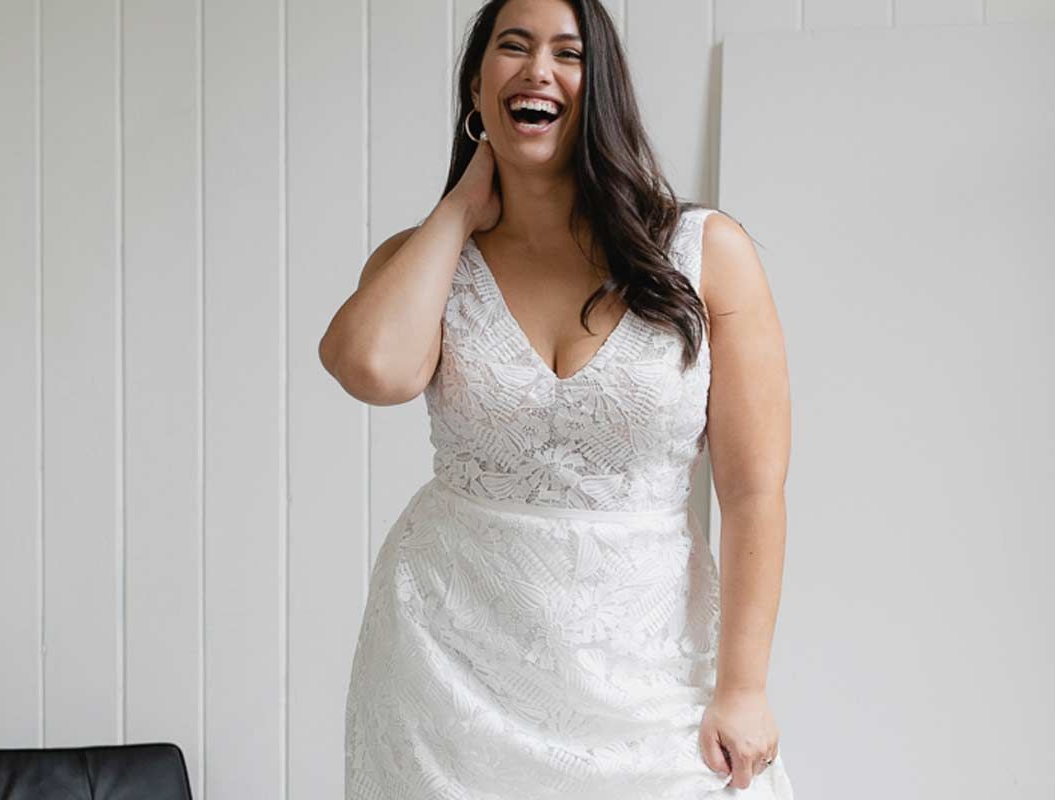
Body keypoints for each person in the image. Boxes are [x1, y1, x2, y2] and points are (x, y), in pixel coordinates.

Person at [319, 0, 795, 797]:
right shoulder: (429, 259)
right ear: (478, 87)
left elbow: (753, 491)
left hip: (649, 671)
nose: (538, 69)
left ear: (598, 86)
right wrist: (461, 210)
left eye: (567, 53)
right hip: (448, 665)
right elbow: (371, 368)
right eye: (513, 46)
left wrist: (743, 689)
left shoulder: (705, 252)